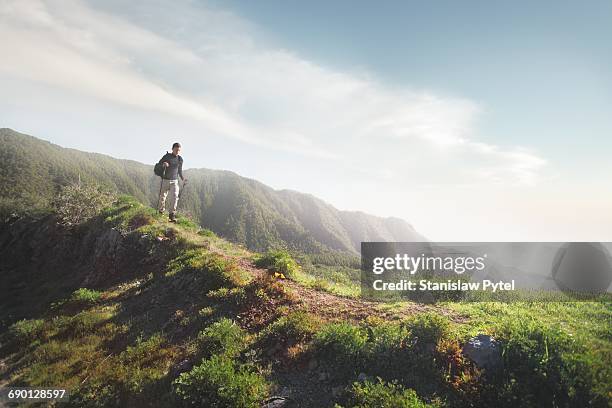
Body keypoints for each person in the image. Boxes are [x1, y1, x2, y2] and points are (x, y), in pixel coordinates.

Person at [157, 142, 187, 222]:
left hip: (174, 181)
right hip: (165, 180)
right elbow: (158, 165)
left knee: (175, 197)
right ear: (172, 149)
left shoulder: (180, 159)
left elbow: (179, 171)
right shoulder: (166, 156)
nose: (177, 151)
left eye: (179, 150)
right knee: (162, 197)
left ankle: (172, 215)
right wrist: (164, 164)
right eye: (176, 150)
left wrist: (183, 179)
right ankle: (161, 212)